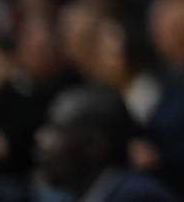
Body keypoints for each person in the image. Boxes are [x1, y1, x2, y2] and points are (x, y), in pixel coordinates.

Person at [34, 85, 176, 201]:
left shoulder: (136, 197)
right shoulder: (85, 194)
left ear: (93, 146)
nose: (40, 139)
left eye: (57, 132)